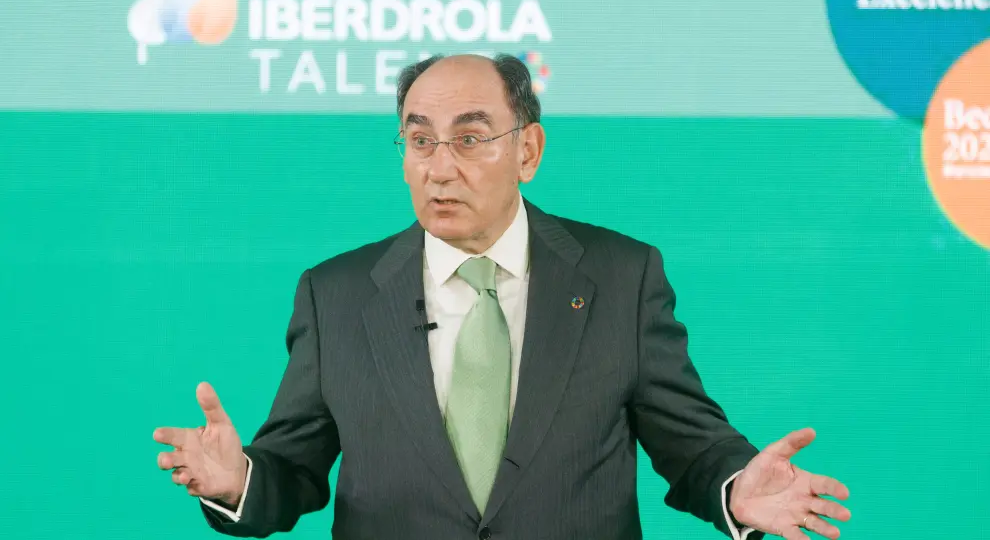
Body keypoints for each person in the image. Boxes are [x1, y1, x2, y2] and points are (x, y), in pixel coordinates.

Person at [153, 53, 851, 540]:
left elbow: (691, 445)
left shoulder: (621, 277)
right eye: (420, 140)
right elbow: (293, 470)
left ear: (528, 151)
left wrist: (736, 486)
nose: (440, 167)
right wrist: (239, 480)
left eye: (469, 138)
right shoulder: (334, 295)